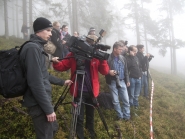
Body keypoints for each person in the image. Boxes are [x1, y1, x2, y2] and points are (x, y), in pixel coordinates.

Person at [19, 17, 73, 139]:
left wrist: (62, 81)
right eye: (48, 30)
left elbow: (43, 75)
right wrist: (48, 110)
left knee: (53, 128)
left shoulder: (37, 47)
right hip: (37, 103)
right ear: (39, 31)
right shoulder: (32, 49)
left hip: (41, 102)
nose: (50, 34)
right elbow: (35, 82)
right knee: (46, 135)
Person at [52, 35, 109, 139]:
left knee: (90, 115)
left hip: (92, 90)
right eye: (88, 43)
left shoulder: (96, 56)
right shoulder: (74, 54)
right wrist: (56, 63)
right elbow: (62, 66)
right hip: (78, 89)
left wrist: (103, 59)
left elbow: (105, 71)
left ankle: (91, 133)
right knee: (79, 116)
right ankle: (80, 135)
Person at [105, 41, 130, 121]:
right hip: (112, 81)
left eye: (122, 49)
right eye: (119, 49)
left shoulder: (123, 58)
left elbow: (126, 70)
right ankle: (120, 116)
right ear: (114, 49)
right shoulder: (108, 58)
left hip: (122, 81)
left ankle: (127, 117)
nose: (121, 51)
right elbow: (104, 69)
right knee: (115, 101)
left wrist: (127, 80)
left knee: (126, 100)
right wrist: (109, 72)